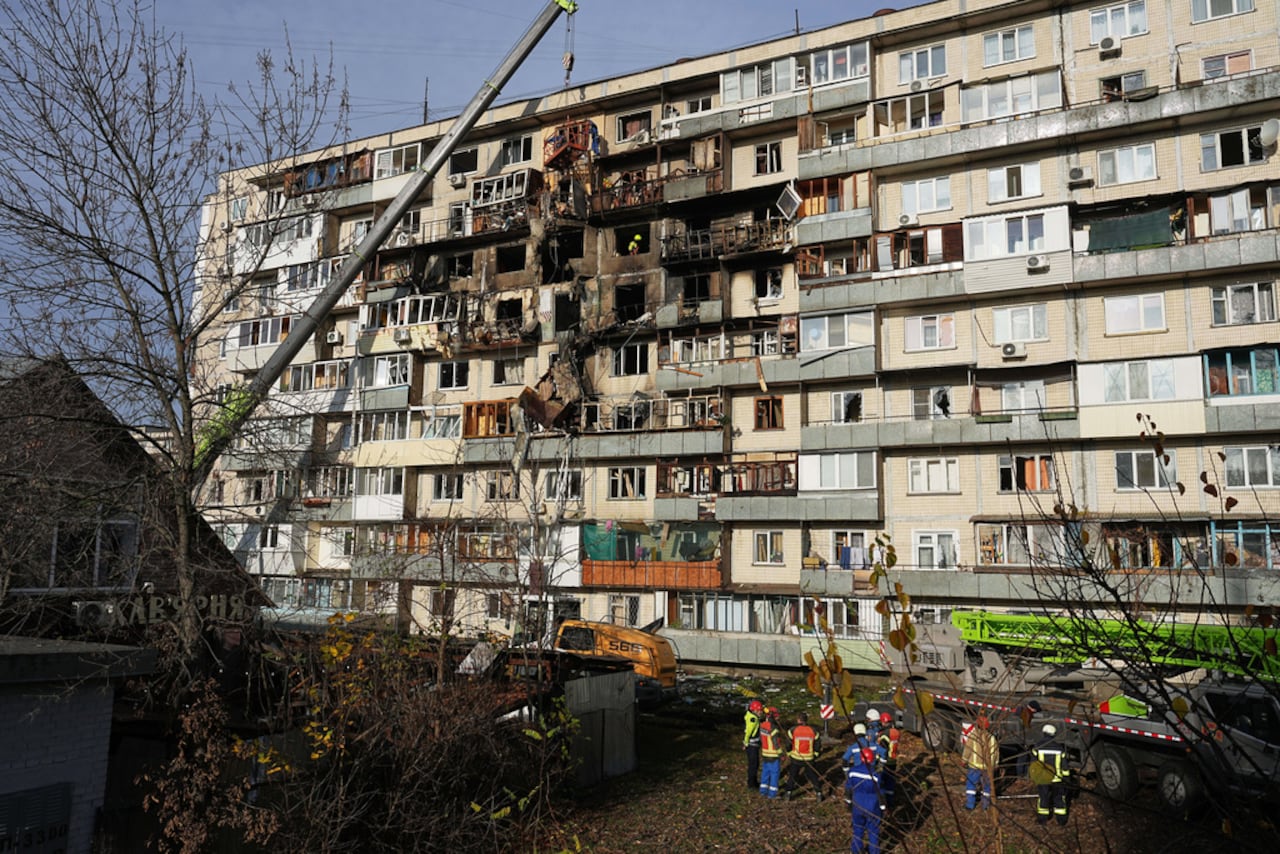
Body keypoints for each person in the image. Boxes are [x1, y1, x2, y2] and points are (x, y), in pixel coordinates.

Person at [844, 724, 884, 854]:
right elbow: (880, 794)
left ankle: (856, 850)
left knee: (858, 830)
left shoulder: (853, 772)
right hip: (873, 807)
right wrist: (883, 807)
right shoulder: (876, 776)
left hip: (858, 805)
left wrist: (848, 803)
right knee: (873, 832)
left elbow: (848, 788)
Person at [1032, 723, 1070, 825]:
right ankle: (1061, 821)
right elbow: (1065, 766)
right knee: (1059, 799)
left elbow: (1033, 765)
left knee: (1043, 798)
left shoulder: (1037, 747)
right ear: (1054, 734)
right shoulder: (1059, 748)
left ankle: (1042, 820)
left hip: (1043, 779)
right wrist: (1066, 778)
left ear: (1044, 733)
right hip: (1057, 779)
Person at [783, 711, 825, 801]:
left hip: (796, 757)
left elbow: (788, 743)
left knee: (793, 776)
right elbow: (818, 744)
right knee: (813, 776)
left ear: (798, 720)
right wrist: (816, 754)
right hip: (809, 758)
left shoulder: (793, 730)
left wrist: (789, 752)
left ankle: (788, 793)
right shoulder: (813, 730)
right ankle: (819, 793)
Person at [962, 714, 999, 811]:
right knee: (987, 786)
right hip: (987, 767)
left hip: (974, 766)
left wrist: (964, 760)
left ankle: (970, 805)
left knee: (971, 786)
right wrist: (995, 764)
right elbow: (995, 753)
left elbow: (968, 749)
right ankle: (985, 806)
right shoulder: (991, 738)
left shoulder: (974, 736)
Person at [759, 706, 787, 799]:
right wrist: (781, 754)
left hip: (765, 753)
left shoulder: (762, 725)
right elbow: (776, 743)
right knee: (774, 774)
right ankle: (772, 794)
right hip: (773, 755)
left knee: (765, 773)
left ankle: (763, 791)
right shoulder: (774, 728)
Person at [743, 699, 763, 790]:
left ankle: (753, 782)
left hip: (753, 745)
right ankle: (751, 784)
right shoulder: (753, 720)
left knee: (755, 764)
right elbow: (748, 732)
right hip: (752, 745)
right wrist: (746, 743)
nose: (760, 713)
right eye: (759, 711)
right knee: (753, 765)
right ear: (755, 710)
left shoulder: (751, 716)